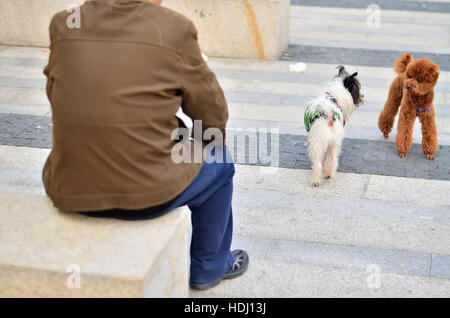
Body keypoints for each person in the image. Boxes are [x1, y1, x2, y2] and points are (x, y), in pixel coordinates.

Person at [43, 0, 248, 290]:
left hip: (68, 187)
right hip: (145, 192)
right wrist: (196, 140)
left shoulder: (62, 24)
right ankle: (210, 266)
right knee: (220, 160)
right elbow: (212, 114)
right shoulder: (174, 29)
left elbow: (58, 96)